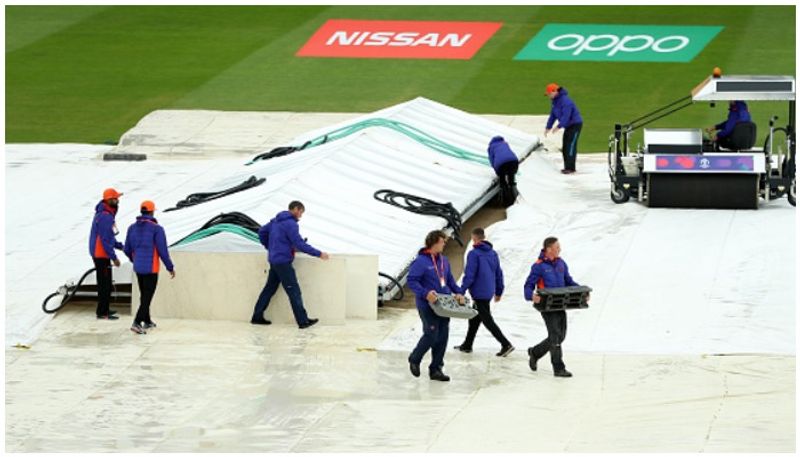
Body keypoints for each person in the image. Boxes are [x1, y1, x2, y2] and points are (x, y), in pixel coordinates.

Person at [251, 201, 330, 329]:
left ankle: (257, 316)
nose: (300, 216)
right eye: (301, 212)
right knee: (294, 291)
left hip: (274, 259)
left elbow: (261, 232)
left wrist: (270, 247)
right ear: (296, 209)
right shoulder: (291, 224)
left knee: (269, 289)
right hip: (283, 262)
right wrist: (319, 254)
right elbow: (299, 244)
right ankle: (303, 321)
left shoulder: (275, 221)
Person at [523, 236, 588, 378]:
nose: (560, 249)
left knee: (560, 336)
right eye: (557, 247)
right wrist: (531, 296)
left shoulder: (561, 264)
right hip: (546, 306)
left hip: (560, 303)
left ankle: (535, 352)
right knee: (555, 337)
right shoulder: (538, 266)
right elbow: (528, 285)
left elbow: (568, 281)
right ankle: (558, 368)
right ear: (549, 249)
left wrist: (582, 293)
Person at [407, 230, 465, 382]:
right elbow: (412, 281)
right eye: (442, 241)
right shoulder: (420, 261)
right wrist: (426, 294)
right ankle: (415, 358)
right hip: (427, 305)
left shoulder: (444, 260)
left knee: (442, 337)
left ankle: (436, 369)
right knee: (431, 334)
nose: (444, 244)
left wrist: (458, 293)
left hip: (444, 305)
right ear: (433, 242)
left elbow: (450, 281)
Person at [454, 228, 514, 357]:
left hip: (479, 292)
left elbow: (469, 275)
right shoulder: (493, 253)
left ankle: (506, 344)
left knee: (487, 320)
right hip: (488, 291)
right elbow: (499, 273)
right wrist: (498, 291)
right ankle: (467, 345)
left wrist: (461, 291)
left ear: (474, 238)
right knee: (475, 318)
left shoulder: (474, 254)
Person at [123, 200, 176, 335]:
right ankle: (137, 322)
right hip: (151, 268)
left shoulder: (132, 228)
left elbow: (127, 249)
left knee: (144, 295)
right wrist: (170, 267)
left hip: (139, 268)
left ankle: (147, 320)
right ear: (152, 212)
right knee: (147, 296)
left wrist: (134, 260)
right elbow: (163, 251)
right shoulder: (157, 229)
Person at [88, 188, 124, 320]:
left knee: (106, 283)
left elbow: (109, 237)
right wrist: (114, 257)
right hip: (101, 254)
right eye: (116, 198)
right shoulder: (105, 216)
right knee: (104, 284)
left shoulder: (106, 214)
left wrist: (121, 246)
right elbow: (104, 239)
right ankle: (102, 313)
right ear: (109, 200)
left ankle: (105, 309)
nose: (118, 200)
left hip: (102, 252)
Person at [544, 83, 583, 174]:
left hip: (575, 125)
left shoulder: (566, 101)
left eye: (550, 94)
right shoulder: (555, 101)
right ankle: (567, 166)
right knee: (565, 145)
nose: (549, 96)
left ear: (555, 92)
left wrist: (559, 126)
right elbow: (553, 115)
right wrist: (548, 127)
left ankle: (570, 168)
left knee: (571, 146)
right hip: (568, 126)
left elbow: (566, 116)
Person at [487, 136, 520, 205]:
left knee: (503, 182)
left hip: (501, 164)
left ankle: (506, 201)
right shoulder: (505, 144)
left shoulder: (491, 147)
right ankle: (516, 197)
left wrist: (498, 172)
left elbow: (492, 161)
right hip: (514, 161)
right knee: (511, 180)